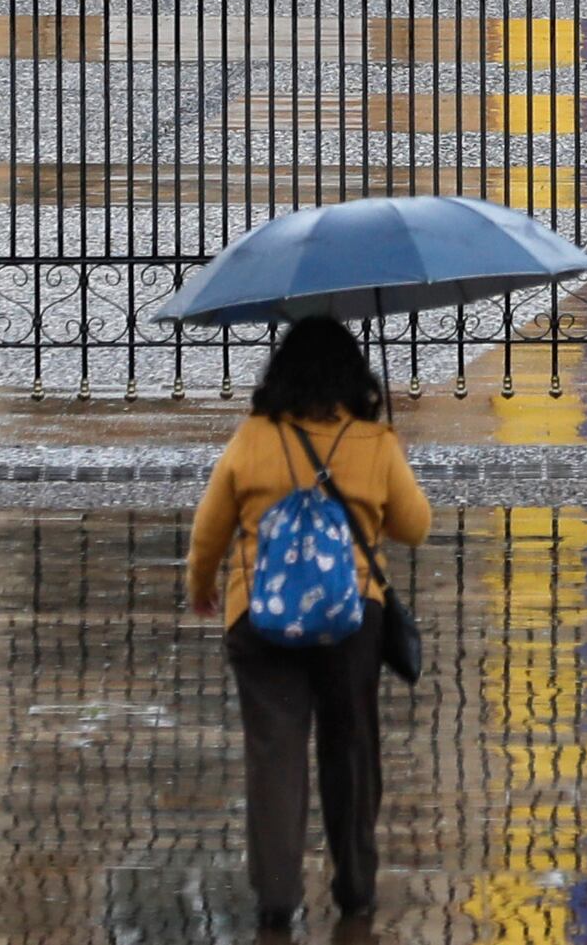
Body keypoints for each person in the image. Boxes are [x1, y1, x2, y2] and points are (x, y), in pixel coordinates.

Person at [182, 315, 432, 931]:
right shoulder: (375, 443)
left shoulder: (254, 437)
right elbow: (415, 525)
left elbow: (211, 526)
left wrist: (202, 585)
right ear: (356, 376)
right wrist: (380, 459)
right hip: (352, 617)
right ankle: (354, 886)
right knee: (350, 749)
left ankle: (275, 894)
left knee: (275, 753)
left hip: (259, 616)